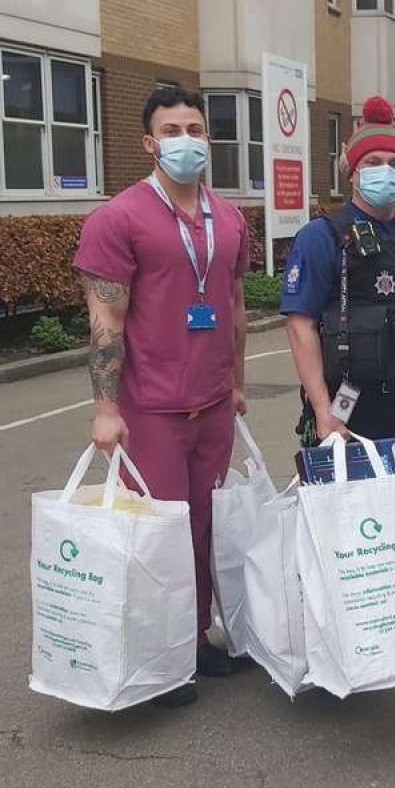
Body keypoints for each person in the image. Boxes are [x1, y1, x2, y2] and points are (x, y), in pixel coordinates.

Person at [73, 87, 251, 707]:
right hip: (150, 408)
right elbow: (105, 319)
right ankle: (161, 655)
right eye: (172, 130)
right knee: (159, 538)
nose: (186, 140)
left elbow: (232, 304)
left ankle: (197, 638)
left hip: (211, 405)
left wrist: (236, 382)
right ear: (150, 143)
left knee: (206, 529)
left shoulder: (227, 219)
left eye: (195, 128)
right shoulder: (118, 219)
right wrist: (105, 408)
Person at [281, 95, 395, 467]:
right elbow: (301, 327)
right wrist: (321, 407)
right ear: (353, 174)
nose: (386, 170)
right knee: (354, 519)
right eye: (373, 162)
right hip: (348, 405)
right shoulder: (322, 236)